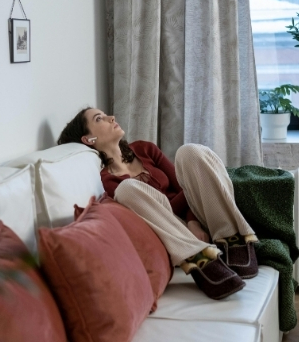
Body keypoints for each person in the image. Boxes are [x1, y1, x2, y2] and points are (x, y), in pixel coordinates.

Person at [57, 107, 259, 300]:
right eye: (99, 119)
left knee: (188, 152)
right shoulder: (107, 181)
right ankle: (201, 261)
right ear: (88, 139)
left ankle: (235, 241)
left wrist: (193, 221)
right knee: (127, 189)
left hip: (200, 217)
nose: (111, 118)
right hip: (174, 235)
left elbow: (183, 187)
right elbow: (156, 215)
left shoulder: (144, 149)